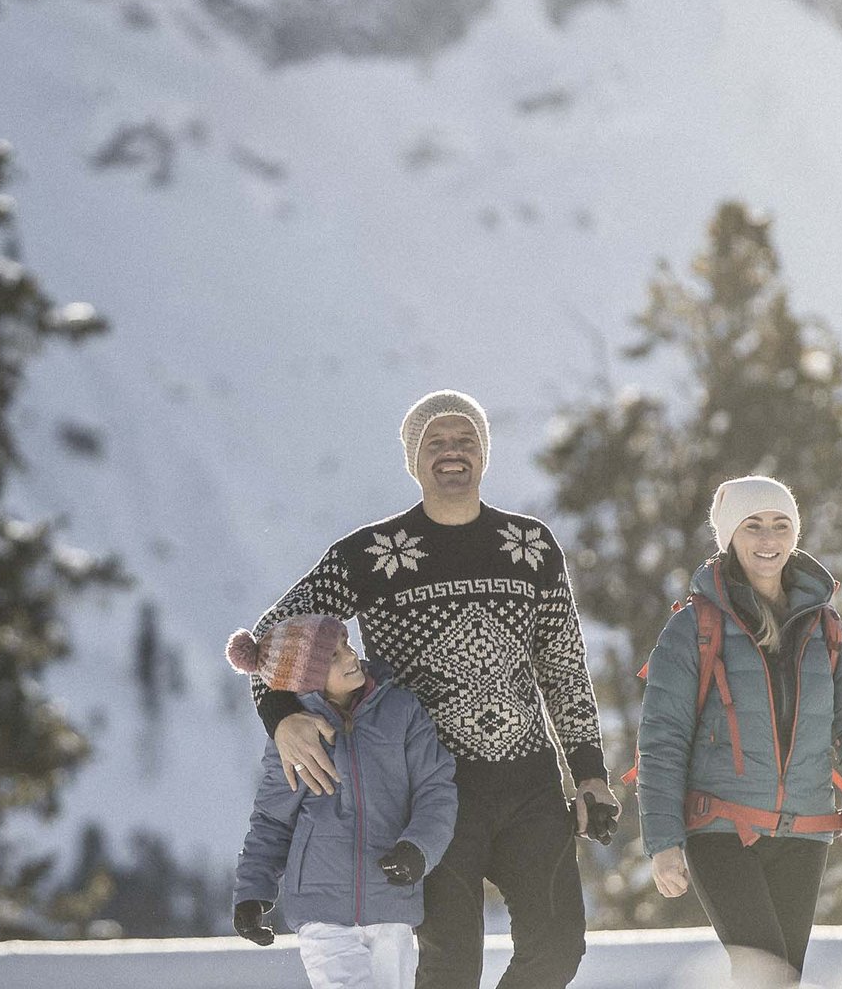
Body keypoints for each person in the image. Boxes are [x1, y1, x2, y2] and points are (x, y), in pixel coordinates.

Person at [244, 390, 616, 988]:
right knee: (450, 966)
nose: (452, 453)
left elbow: (564, 667)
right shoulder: (370, 554)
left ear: (484, 455)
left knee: (558, 949)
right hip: (429, 793)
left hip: (529, 785)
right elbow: (270, 639)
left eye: (465, 440)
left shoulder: (530, 547)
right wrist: (282, 715)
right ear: (414, 461)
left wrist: (589, 772)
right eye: (435, 442)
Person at [636, 475, 842, 986]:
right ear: (730, 535)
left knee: (783, 977)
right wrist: (663, 840)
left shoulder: (825, 629)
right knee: (764, 974)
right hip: (721, 830)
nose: (768, 539)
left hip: (805, 834)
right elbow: (663, 740)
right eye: (753, 526)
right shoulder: (692, 628)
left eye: (780, 525)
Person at [230, 614, 458, 989]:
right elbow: (273, 820)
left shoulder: (400, 711)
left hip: (392, 902)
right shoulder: (295, 736)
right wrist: (252, 892)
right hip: (322, 913)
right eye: (333, 656)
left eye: (346, 645)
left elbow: (436, 789)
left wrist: (419, 848)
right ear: (307, 676)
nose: (351, 656)